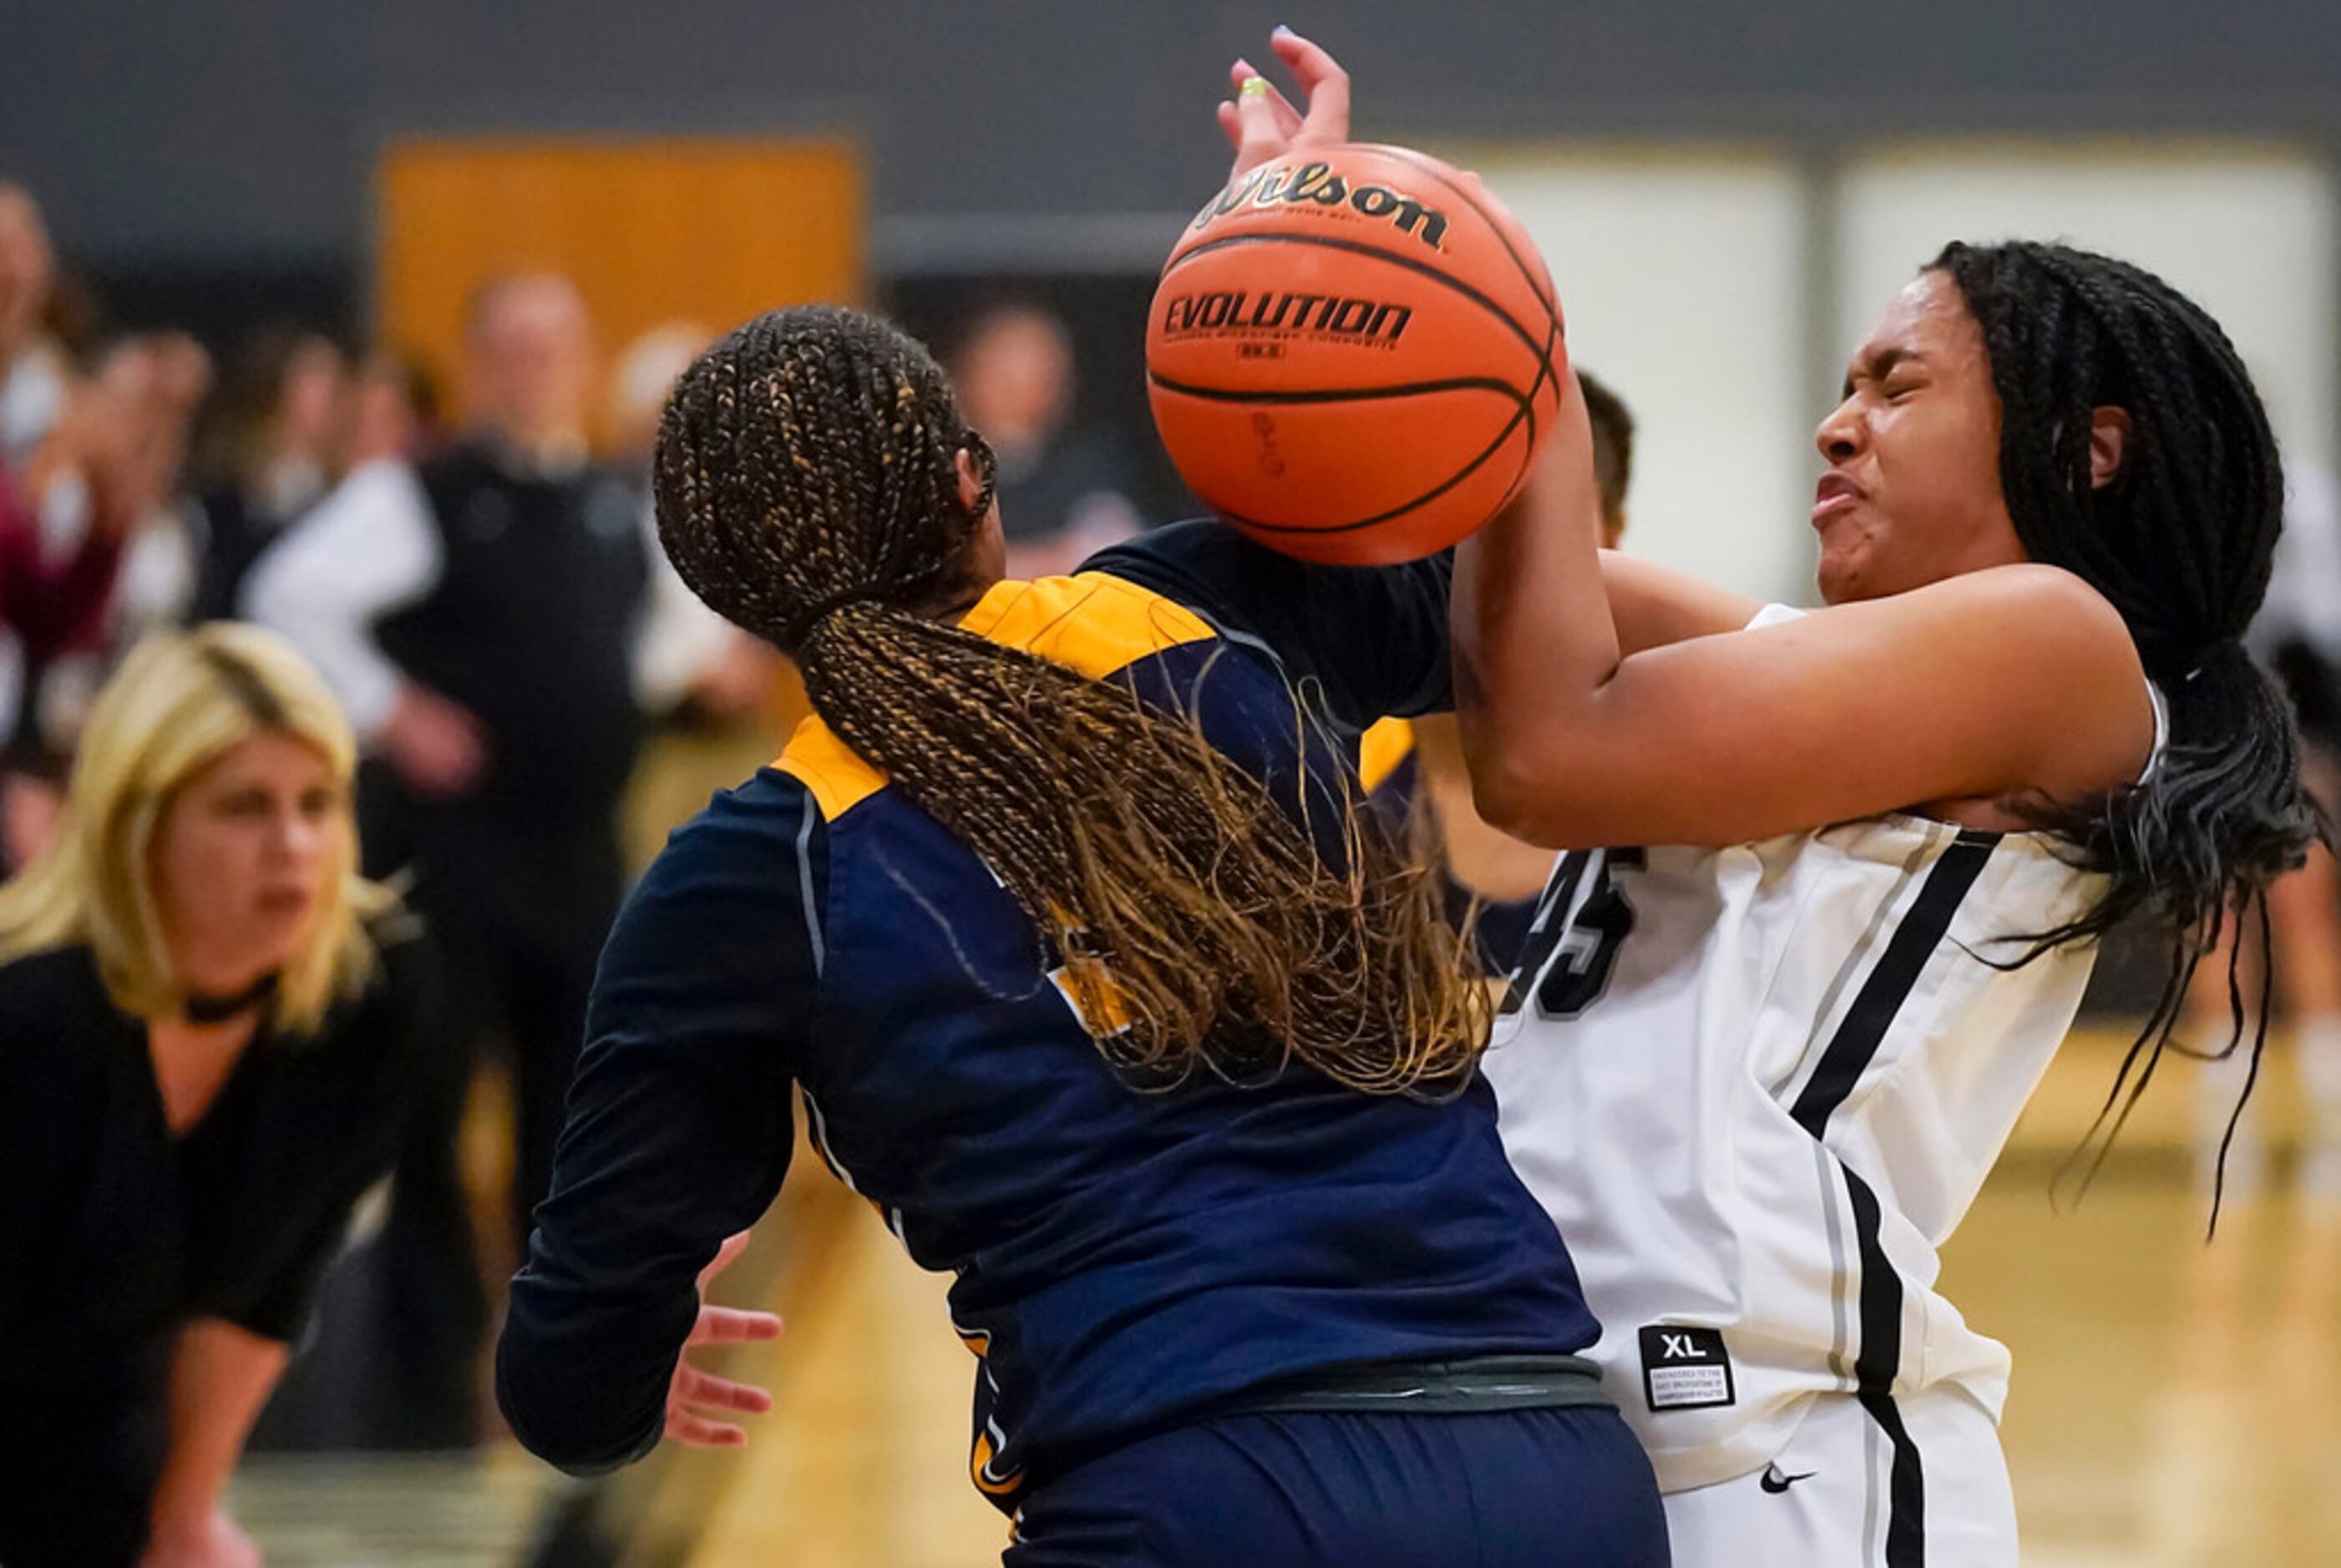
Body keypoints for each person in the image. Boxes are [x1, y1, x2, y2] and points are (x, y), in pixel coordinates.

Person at [1229, 30, 2312, 1567]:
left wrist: (1502, 321)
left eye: (1895, 383)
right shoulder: (1813, 672)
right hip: (1558, 1441)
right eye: (1843, 383)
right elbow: (1433, 591)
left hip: (1785, 1469)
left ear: (2088, 448)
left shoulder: (2058, 651)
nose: (1835, 420)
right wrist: (1313, 264)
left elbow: (1541, 751)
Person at [496, 302, 1669, 1568]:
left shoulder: (748, 877)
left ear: (726, 589)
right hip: (1555, 1462)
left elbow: (565, 1391)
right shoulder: (1201, 611)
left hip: (1192, 1489)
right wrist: (1377, 280)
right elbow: (1551, 625)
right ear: (969, 476)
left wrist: (620, 1369)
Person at [245, 273, 647, 1444]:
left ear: (579, 358)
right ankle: (425, 1368)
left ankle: (556, 1359)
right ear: (477, 362)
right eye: (508, 348)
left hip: (578, 862)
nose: (530, 369)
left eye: (550, 346)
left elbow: (659, 630)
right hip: (455, 869)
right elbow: (286, 597)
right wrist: (394, 709)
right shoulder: (421, 491)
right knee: (427, 1109)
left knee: (572, 1118)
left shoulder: (611, 502)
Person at [0, 623, 445, 1567]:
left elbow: (263, 1283)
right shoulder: (32, 1025)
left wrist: (186, 1510)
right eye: (244, 807)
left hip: (95, 1436)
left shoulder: (365, 997)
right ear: (139, 827)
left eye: (317, 803)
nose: (293, 846)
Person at [946, 301, 1146, 579]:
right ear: (967, 375)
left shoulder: (1090, 469)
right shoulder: (938, 472)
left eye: (1038, 374)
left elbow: (1112, 554)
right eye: (1006, 376)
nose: (1021, 390)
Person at [185, 327, 347, 623]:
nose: (330, 394)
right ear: (276, 386)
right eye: (314, 377)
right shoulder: (230, 491)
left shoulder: (343, 491)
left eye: (335, 381)